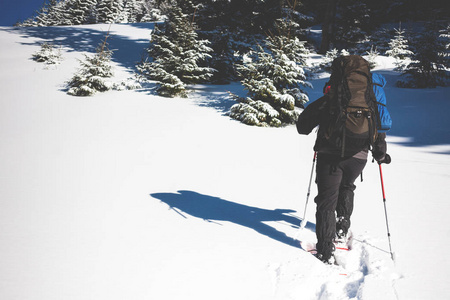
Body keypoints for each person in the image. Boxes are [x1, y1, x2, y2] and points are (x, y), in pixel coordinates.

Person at [296, 55, 391, 264]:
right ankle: (341, 227)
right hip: (359, 157)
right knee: (347, 186)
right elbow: (380, 129)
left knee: (326, 201)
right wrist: (381, 155)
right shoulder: (371, 98)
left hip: (330, 156)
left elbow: (302, 127)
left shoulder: (332, 97)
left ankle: (325, 250)